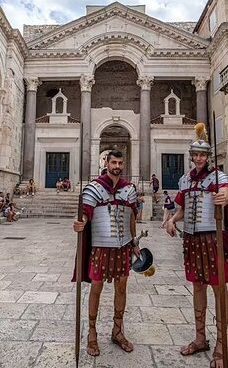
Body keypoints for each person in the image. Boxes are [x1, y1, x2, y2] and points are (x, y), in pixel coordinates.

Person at [165, 123, 228, 367]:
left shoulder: (219, 177)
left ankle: (221, 343)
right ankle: (200, 338)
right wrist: (173, 220)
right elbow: (184, 208)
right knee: (197, 287)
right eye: (195, 155)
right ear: (191, 156)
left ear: (208, 157)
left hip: (213, 239)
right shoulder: (185, 180)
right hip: (192, 240)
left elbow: (227, 190)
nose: (198, 158)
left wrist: (225, 195)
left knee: (219, 288)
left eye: (202, 155)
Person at [72, 149, 140, 357]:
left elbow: (131, 218)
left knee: (121, 288)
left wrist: (134, 243)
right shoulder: (94, 188)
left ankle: (117, 331)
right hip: (100, 247)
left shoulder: (129, 189)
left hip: (122, 247)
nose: (117, 166)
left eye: (120, 163)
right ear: (106, 163)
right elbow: (85, 213)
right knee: (96, 288)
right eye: (114, 163)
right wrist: (80, 224)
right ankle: (92, 333)